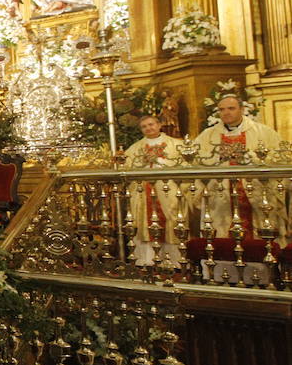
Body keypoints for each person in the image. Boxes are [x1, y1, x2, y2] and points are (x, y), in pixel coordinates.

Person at [195, 94, 287, 239]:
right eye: (222, 109)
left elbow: (281, 158)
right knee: (223, 235)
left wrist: (249, 157)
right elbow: (196, 159)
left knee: (260, 236)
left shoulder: (263, 132)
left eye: (231, 108)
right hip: (220, 194)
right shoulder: (208, 135)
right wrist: (218, 157)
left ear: (242, 109)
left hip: (256, 191)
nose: (226, 112)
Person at [123, 115, 183, 268]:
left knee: (172, 219)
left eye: (151, 124)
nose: (148, 128)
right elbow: (127, 166)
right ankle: (147, 259)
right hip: (143, 190)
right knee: (143, 221)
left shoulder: (175, 144)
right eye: (144, 126)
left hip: (168, 189)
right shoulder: (135, 148)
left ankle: (172, 260)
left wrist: (160, 161)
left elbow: (184, 164)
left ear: (159, 125)